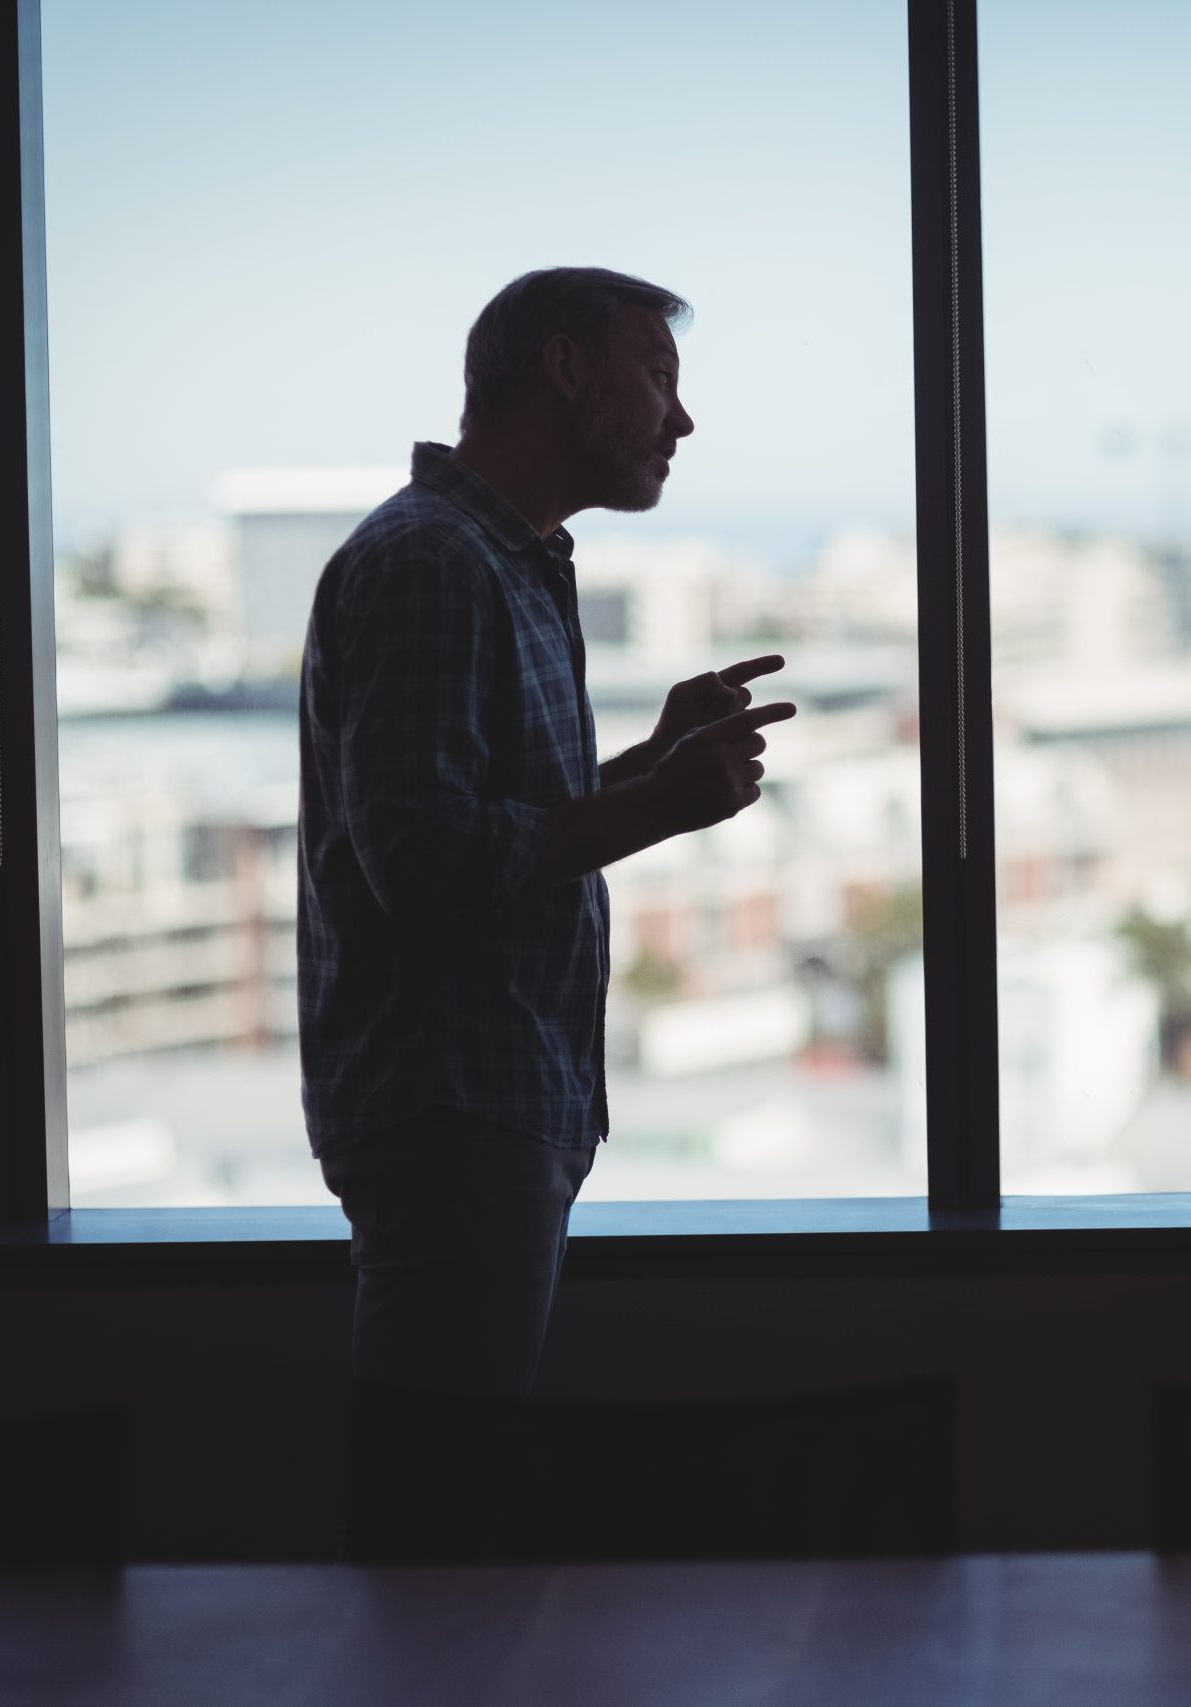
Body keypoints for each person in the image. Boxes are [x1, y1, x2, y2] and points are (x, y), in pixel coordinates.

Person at [298, 266, 794, 1413]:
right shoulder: (434, 563)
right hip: (453, 1107)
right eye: (658, 377)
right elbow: (424, 863)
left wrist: (648, 765)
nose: (681, 418)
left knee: (457, 1495)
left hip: (482, 1102)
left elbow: (484, 813)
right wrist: (662, 805)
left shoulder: (495, 558)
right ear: (566, 371)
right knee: (444, 1506)